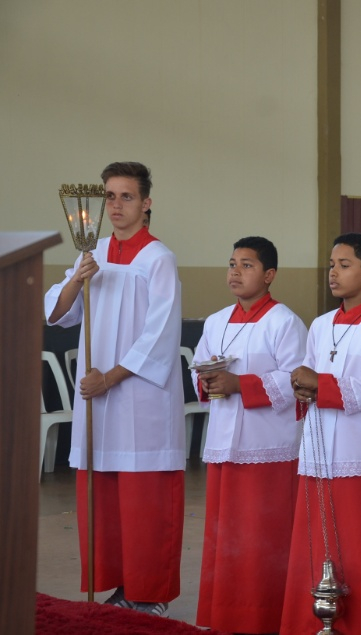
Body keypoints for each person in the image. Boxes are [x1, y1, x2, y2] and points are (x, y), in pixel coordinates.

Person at [44, 161, 184, 616]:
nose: (117, 205)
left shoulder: (158, 258)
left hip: (137, 395)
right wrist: (77, 279)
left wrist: (110, 377)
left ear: (146, 203)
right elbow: (57, 312)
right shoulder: (94, 250)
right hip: (97, 396)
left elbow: (159, 334)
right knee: (102, 495)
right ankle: (118, 585)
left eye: (127, 196)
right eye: (110, 196)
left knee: (144, 500)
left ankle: (149, 594)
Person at [281, 233, 361, 635]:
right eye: (331, 264)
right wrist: (302, 386)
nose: (333, 272)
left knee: (360, 550)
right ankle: (318, 622)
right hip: (322, 453)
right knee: (321, 546)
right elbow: (307, 375)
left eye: (345, 265)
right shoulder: (320, 325)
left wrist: (318, 383)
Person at [191, 236, 307, 633]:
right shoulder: (215, 320)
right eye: (232, 264)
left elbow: (296, 382)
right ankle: (223, 616)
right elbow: (201, 369)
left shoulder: (285, 322)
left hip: (267, 447)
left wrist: (239, 384)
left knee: (261, 538)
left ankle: (262, 617)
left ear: (269, 275)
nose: (235, 272)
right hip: (224, 442)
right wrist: (208, 381)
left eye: (247, 265)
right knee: (225, 537)